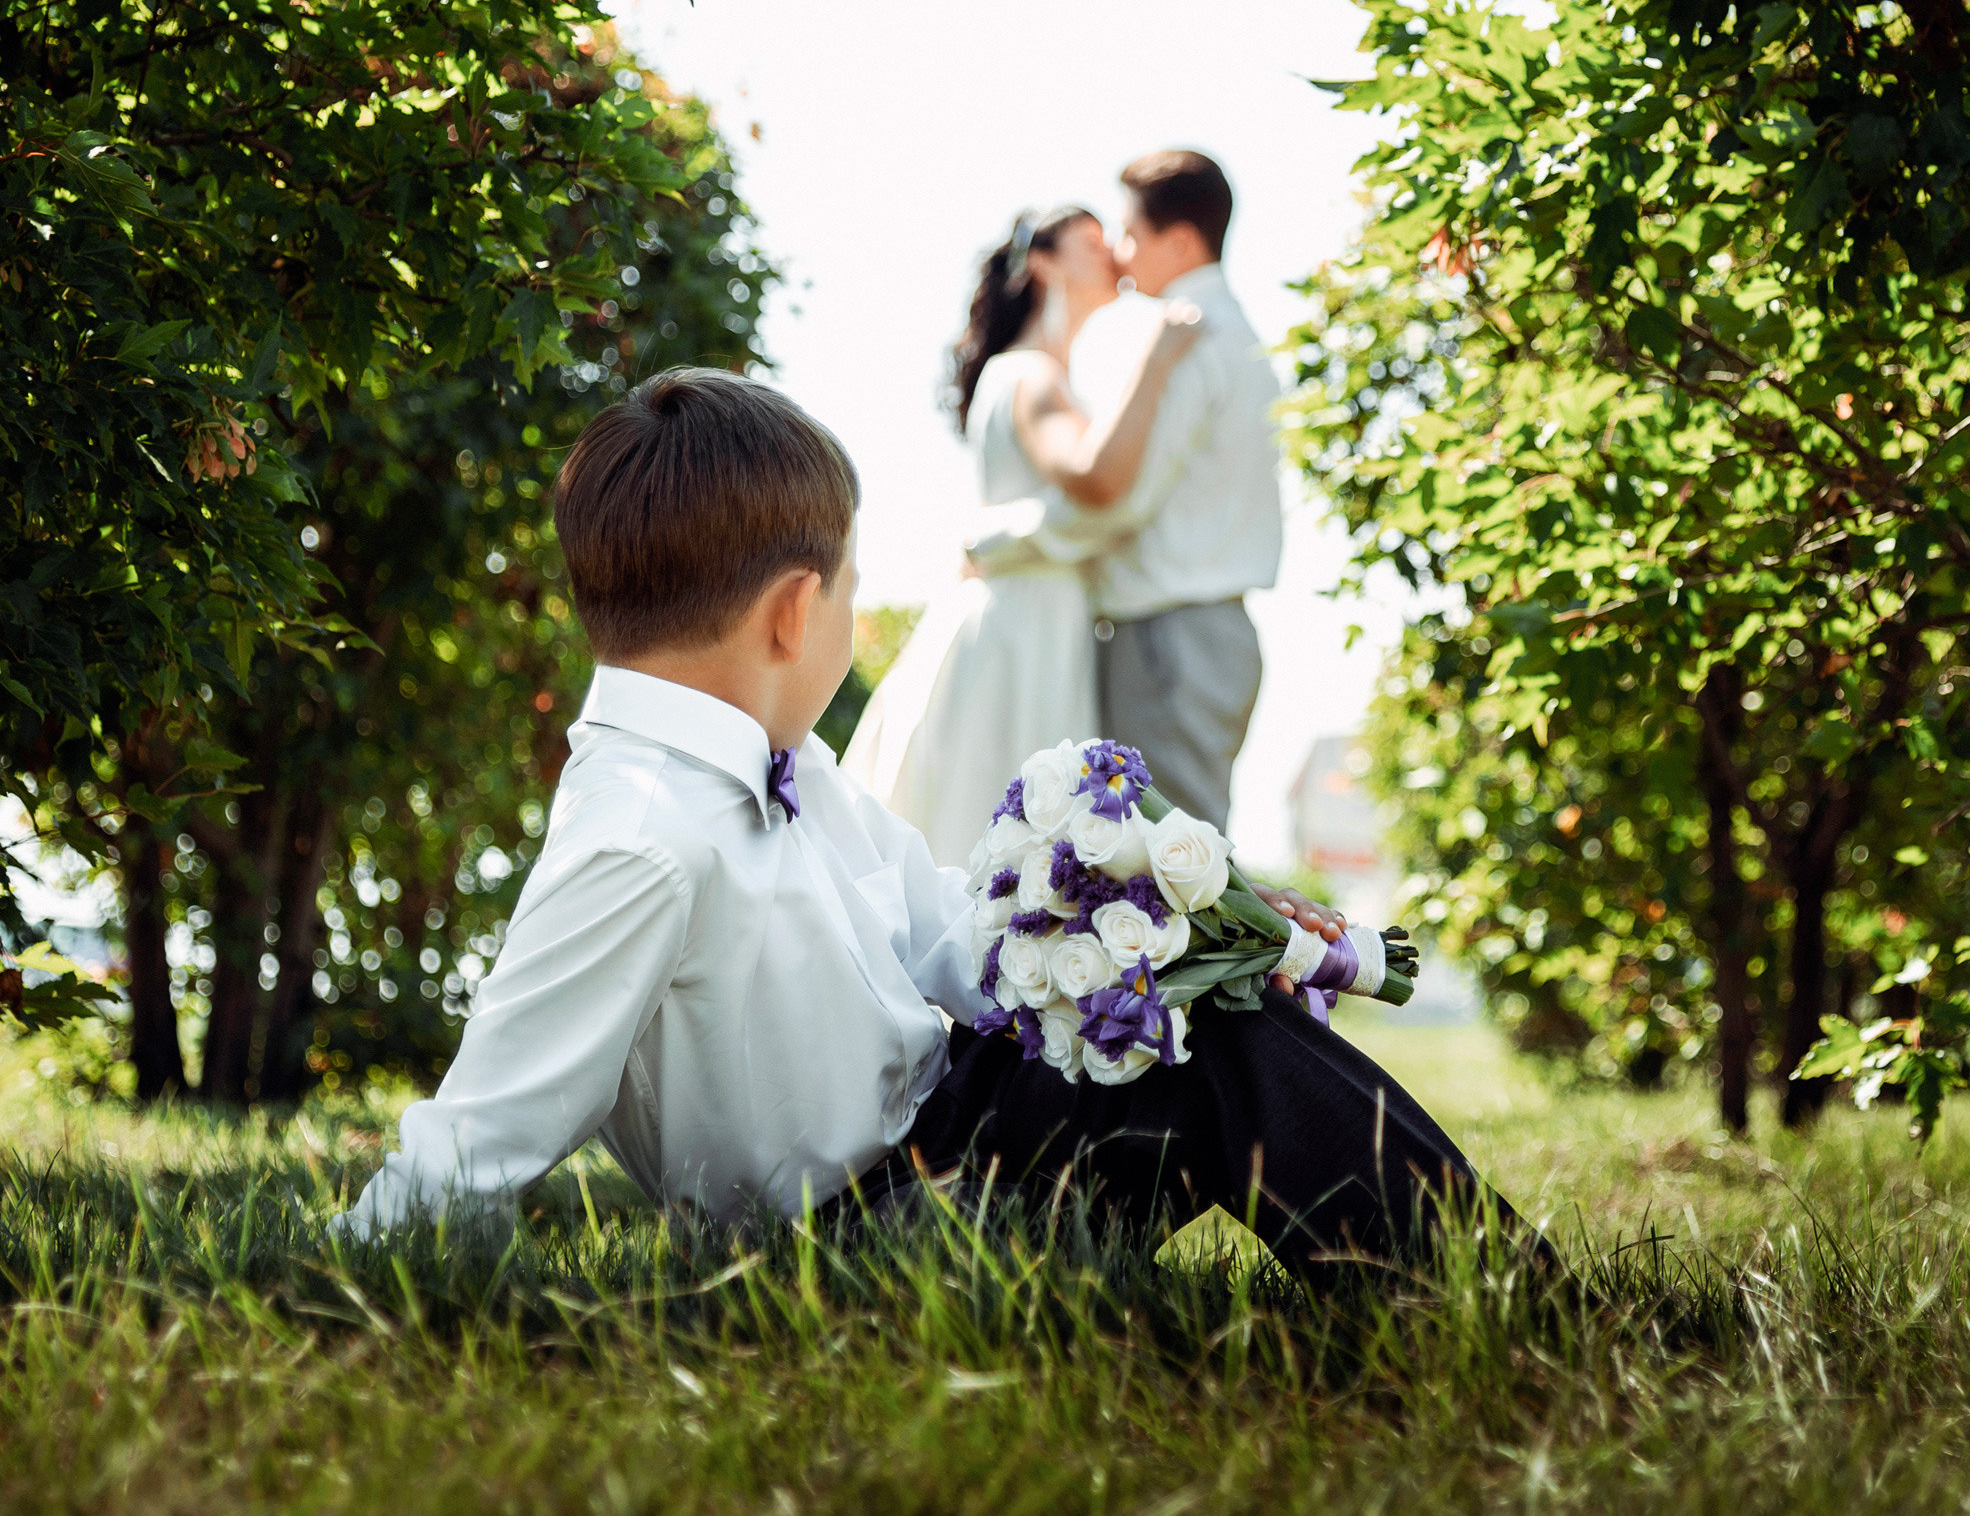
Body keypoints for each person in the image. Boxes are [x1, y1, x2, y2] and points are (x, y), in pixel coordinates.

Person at [333, 368, 1513, 1280]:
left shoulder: (791, 762)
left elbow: (950, 928)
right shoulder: (641, 833)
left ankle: (1451, 1257)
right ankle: (1491, 1288)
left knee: (1204, 1013)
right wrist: (342, 1263)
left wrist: (1158, 940)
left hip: (955, 1119)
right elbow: (490, 1123)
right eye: (851, 587)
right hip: (859, 1235)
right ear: (798, 612)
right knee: (1232, 1062)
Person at [841, 206, 1201, 871]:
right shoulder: (1031, 375)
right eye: (1092, 243)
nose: (1114, 256)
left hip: (1033, 614)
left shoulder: (1031, 374)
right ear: (1043, 263)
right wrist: (1156, 361)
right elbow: (1097, 486)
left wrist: (992, 537)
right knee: (995, 829)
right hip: (1021, 628)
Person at [966, 151, 1282, 833]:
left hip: (1172, 636)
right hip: (1185, 630)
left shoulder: (1195, 334)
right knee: (1168, 856)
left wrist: (995, 539)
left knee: (1172, 860)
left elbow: (1123, 496)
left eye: (1131, 235)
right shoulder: (1231, 331)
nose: (1120, 253)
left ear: (1178, 241)